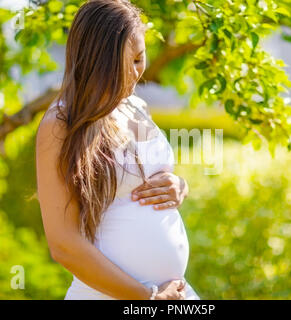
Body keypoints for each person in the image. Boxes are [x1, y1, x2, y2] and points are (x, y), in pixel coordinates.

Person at [35, 0, 200, 300]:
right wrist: (147, 296)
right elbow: (63, 245)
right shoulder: (60, 125)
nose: (134, 73)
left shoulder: (135, 107)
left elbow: (149, 173)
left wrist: (179, 186)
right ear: (95, 62)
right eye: (121, 64)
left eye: (139, 59)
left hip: (173, 293)